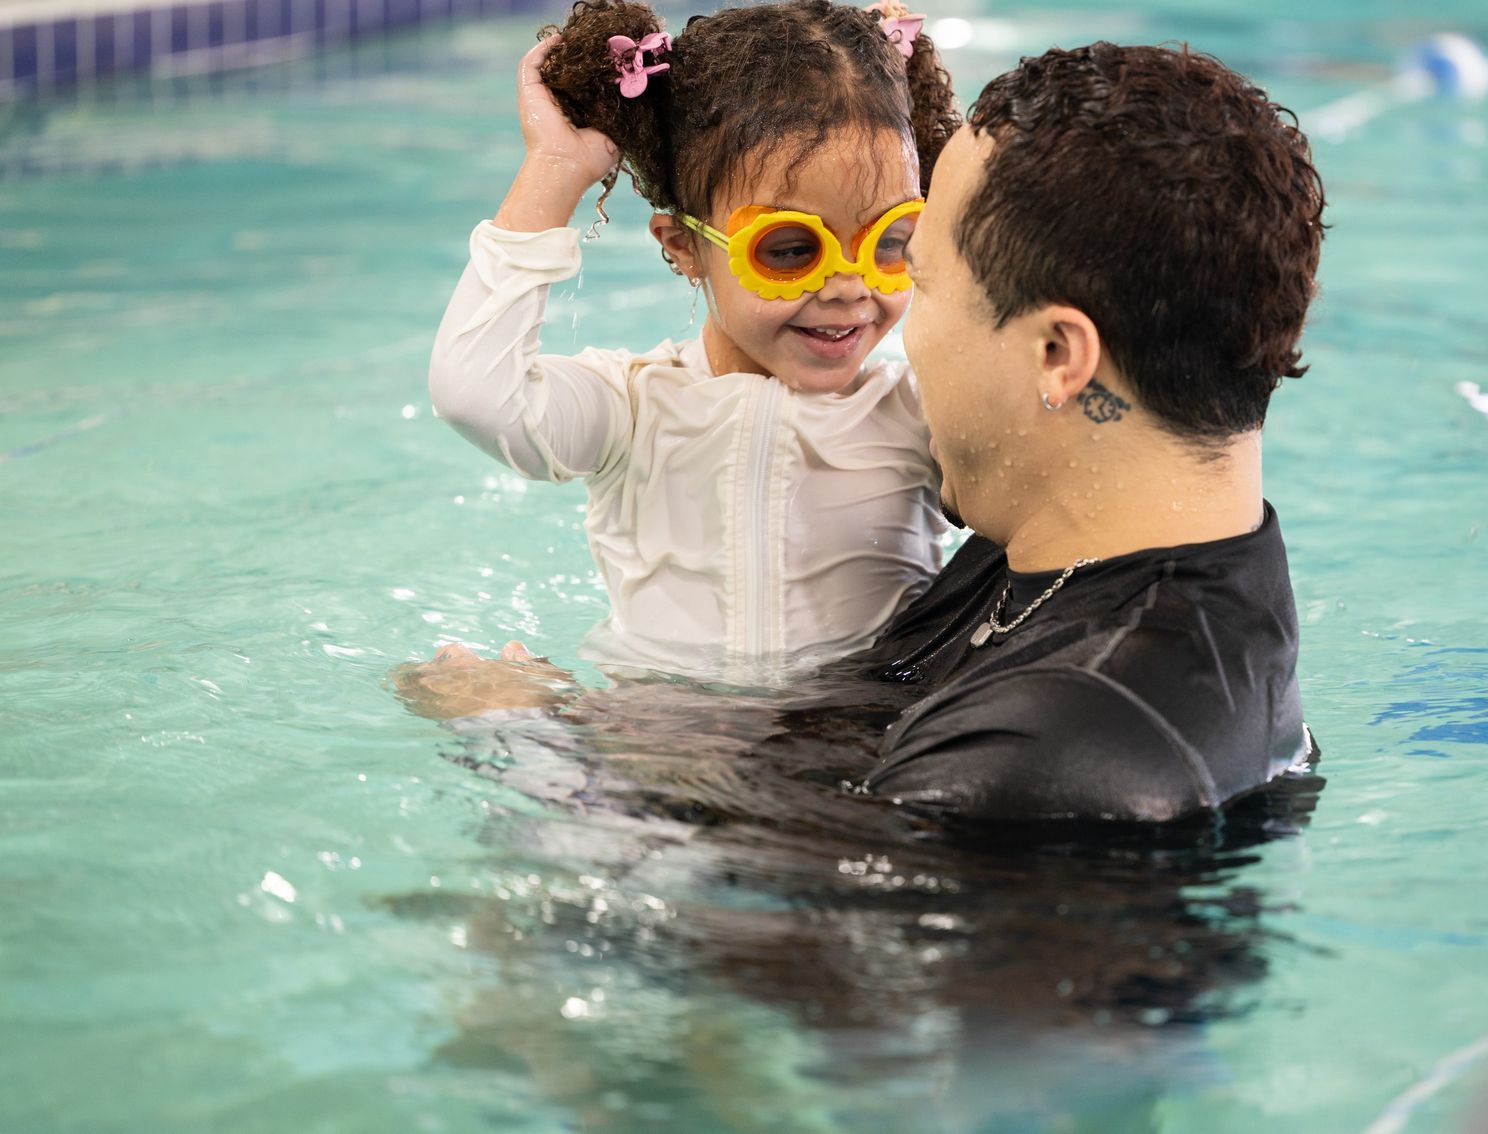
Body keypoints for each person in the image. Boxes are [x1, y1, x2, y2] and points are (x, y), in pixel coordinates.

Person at [404, 40, 1325, 826]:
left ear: (1058, 354)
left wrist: (526, 735)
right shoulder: (1065, 556)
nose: (876, 314)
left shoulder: (1044, 764)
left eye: (909, 266)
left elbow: (746, 945)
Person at [426, 0, 958, 683]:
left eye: (891, 240)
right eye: (793, 249)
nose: (849, 288)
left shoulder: (920, 414)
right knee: (461, 686)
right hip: (661, 742)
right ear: (683, 246)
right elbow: (474, 394)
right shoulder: (632, 409)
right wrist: (554, 174)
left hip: (846, 737)